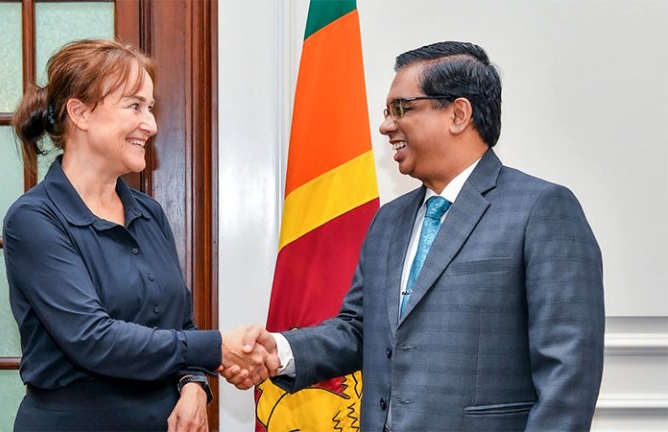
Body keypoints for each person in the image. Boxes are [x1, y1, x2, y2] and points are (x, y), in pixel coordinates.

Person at [233, 41, 605, 431]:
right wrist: (282, 350)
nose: (386, 125)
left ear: (458, 114)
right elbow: (361, 329)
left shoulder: (542, 209)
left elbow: (569, 372)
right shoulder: (388, 221)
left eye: (401, 108)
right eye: (387, 111)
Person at [4, 39, 276, 432]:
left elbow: (180, 324)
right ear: (80, 113)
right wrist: (218, 347)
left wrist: (193, 384)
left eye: (150, 108)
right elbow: (94, 339)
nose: (150, 124)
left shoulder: (148, 213)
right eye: (135, 106)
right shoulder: (34, 220)